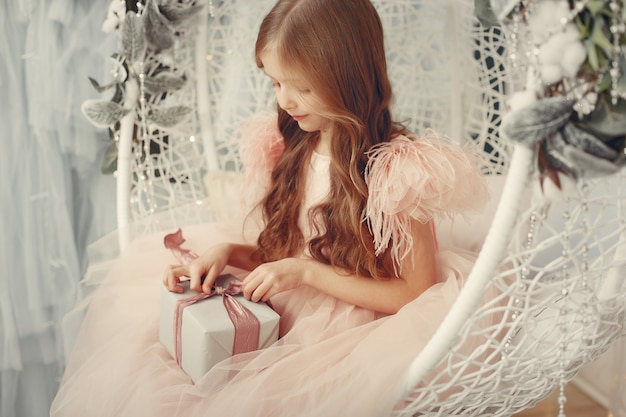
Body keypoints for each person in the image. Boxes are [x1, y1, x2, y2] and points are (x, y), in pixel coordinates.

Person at [50, 0, 490, 416]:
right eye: (275, 82)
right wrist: (228, 253)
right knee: (155, 351)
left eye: (302, 87)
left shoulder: (395, 170)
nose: (285, 101)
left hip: (353, 330)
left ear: (349, 78)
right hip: (293, 299)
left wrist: (306, 273)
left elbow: (414, 292)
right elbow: (288, 252)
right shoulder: (292, 146)